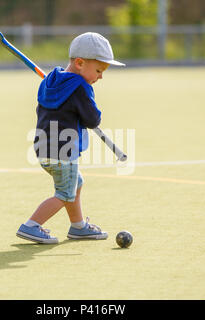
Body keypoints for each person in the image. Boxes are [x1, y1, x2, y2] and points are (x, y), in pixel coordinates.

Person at [16, 32, 125, 244]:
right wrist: (94, 113)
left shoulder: (52, 80)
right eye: (99, 70)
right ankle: (31, 225)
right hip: (63, 150)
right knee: (65, 193)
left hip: (43, 147)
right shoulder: (80, 87)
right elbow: (92, 119)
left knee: (76, 183)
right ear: (80, 63)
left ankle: (78, 226)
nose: (100, 76)